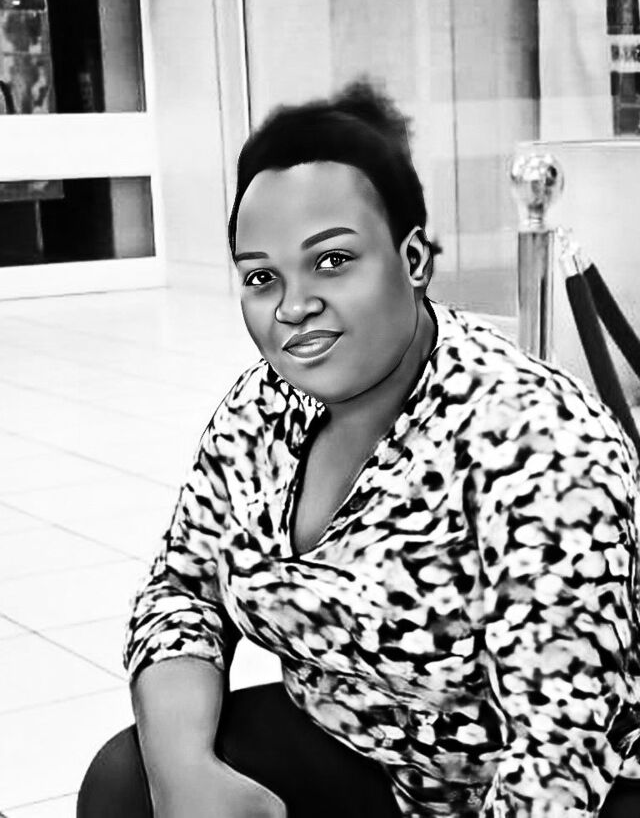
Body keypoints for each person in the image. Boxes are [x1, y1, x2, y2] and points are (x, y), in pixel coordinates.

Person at [78, 81, 640, 818]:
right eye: (262, 277)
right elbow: (183, 591)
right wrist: (185, 774)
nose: (293, 306)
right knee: (126, 784)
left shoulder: (537, 441)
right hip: (363, 753)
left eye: (333, 261)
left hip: (545, 792)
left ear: (413, 258)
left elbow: (559, 755)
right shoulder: (263, 408)